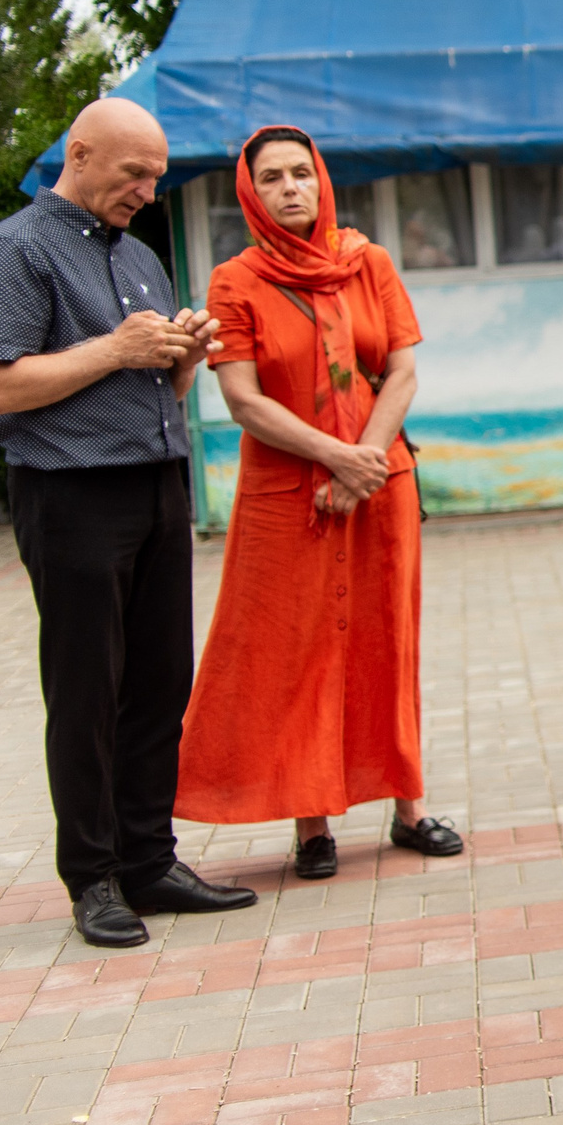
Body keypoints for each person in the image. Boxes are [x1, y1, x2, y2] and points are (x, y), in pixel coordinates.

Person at [0, 97, 259, 948]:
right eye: (136, 174)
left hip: (154, 484)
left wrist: (184, 355)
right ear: (80, 154)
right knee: (89, 690)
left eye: (157, 177)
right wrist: (117, 348)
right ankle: (91, 877)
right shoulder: (14, 252)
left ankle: (149, 858)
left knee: (161, 682)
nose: (148, 192)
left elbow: (150, 388)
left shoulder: (138, 257)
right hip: (71, 496)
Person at [173, 128, 461, 878]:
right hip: (289, 492)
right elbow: (241, 398)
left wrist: (362, 459)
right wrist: (335, 457)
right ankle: (312, 826)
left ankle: (408, 806)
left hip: (380, 482)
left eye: (302, 172)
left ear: (322, 179)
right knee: (295, 648)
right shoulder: (236, 282)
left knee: (385, 641)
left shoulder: (368, 262)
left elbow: (400, 373)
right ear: (251, 193)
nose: (290, 187)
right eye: (272, 178)